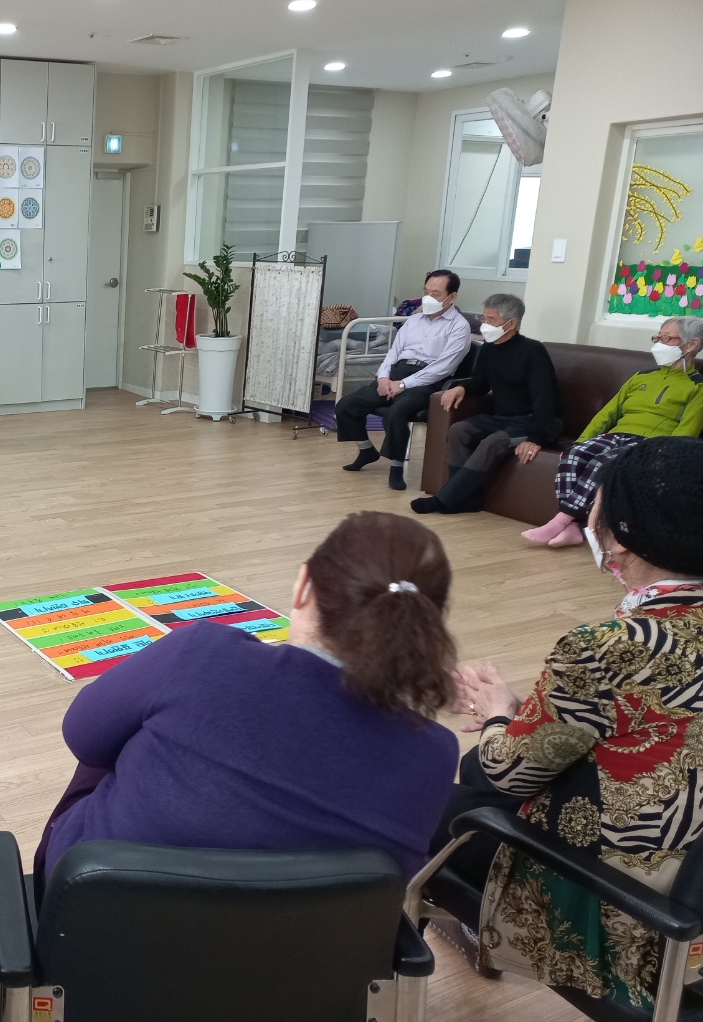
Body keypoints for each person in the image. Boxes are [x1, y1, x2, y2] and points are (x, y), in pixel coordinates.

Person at [34, 511, 459, 885]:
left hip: (95, 921)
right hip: (299, 952)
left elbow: (81, 735)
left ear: (303, 586)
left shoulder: (202, 653)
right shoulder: (435, 755)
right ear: (427, 624)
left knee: (115, 728)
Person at [435, 437, 703, 1012]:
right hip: (691, 864)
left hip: (630, 903)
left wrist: (499, 712)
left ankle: (471, 927)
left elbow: (506, 775)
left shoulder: (610, 646)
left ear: (621, 533)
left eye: (594, 505)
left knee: (432, 806)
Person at [523, 315, 703, 548]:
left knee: (604, 462)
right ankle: (576, 527)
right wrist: (581, 441)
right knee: (573, 454)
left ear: (690, 345)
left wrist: (662, 456)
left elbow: (686, 432)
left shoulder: (697, 387)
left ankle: (560, 521)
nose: (658, 344)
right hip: (617, 435)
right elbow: (608, 414)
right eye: (657, 337)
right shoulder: (641, 377)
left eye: (667, 339)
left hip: (650, 444)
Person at [412, 294, 559, 515]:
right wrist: (462, 387)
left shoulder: (533, 351)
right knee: (459, 430)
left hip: (532, 421)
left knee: (493, 442)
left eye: (491, 320)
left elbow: (544, 398)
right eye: (484, 318)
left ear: (511, 324)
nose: (485, 324)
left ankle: (445, 499)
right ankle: (468, 500)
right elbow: (481, 383)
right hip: (502, 418)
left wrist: (536, 438)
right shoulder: (488, 348)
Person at [336, 270, 473, 491]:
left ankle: (396, 467)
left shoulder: (459, 326)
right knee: (346, 405)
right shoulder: (414, 320)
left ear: (452, 297)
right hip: (397, 372)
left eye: (436, 294)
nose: (428, 297)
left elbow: (443, 367)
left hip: (427, 381)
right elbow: (393, 352)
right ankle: (366, 450)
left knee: (396, 412)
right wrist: (383, 377)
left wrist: (403, 385)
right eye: (426, 292)